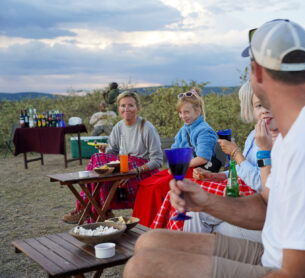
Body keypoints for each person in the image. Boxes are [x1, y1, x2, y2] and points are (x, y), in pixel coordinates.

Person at [123, 19, 305, 278]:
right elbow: (268, 206)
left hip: (288, 271)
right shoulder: (289, 129)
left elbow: (299, 276)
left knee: (141, 270)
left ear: (256, 73)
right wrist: (205, 201)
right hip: (271, 254)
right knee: (149, 242)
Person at [182, 80, 278, 242]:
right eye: (258, 106)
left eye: (269, 103)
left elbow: (264, 186)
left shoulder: (283, 141)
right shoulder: (253, 135)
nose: (264, 111)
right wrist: (219, 176)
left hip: (261, 209)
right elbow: (243, 169)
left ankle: (191, 255)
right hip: (245, 197)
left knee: (199, 215)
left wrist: (236, 154)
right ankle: (190, 255)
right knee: (191, 205)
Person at [62, 91, 163, 224]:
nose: (126, 109)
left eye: (130, 105)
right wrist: (105, 152)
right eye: (123, 106)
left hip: (141, 171)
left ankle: (90, 209)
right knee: (98, 157)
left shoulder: (146, 128)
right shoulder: (118, 127)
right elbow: (113, 152)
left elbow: (157, 160)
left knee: (97, 159)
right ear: (119, 108)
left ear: (138, 108)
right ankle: (101, 209)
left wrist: (135, 171)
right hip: (123, 167)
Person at [132, 87, 218, 227]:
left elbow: (202, 158)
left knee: (156, 188)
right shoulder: (184, 129)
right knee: (145, 185)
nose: (183, 116)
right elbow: (175, 150)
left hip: (196, 171)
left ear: (198, 110)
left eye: (187, 112)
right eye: (180, 112)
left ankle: (156, 226)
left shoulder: (204, 130)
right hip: (182, 168)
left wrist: (179, 166)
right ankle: (141, 226)